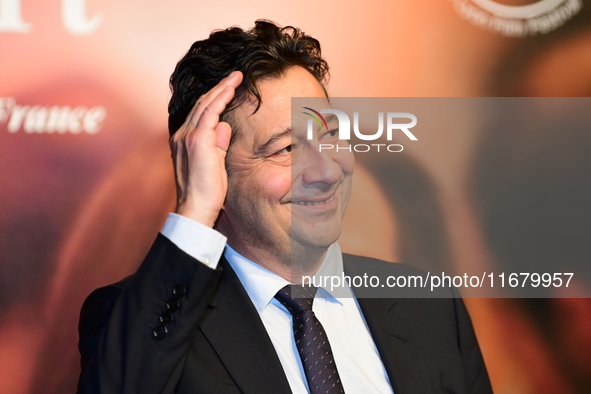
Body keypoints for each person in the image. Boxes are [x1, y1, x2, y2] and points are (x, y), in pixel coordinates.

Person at [77, 20, 492, 394]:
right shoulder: (144, 320)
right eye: (287, 148)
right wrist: (195, 209)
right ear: (215, 171)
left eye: (330, 135)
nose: (326, 170)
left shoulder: (429, 304)